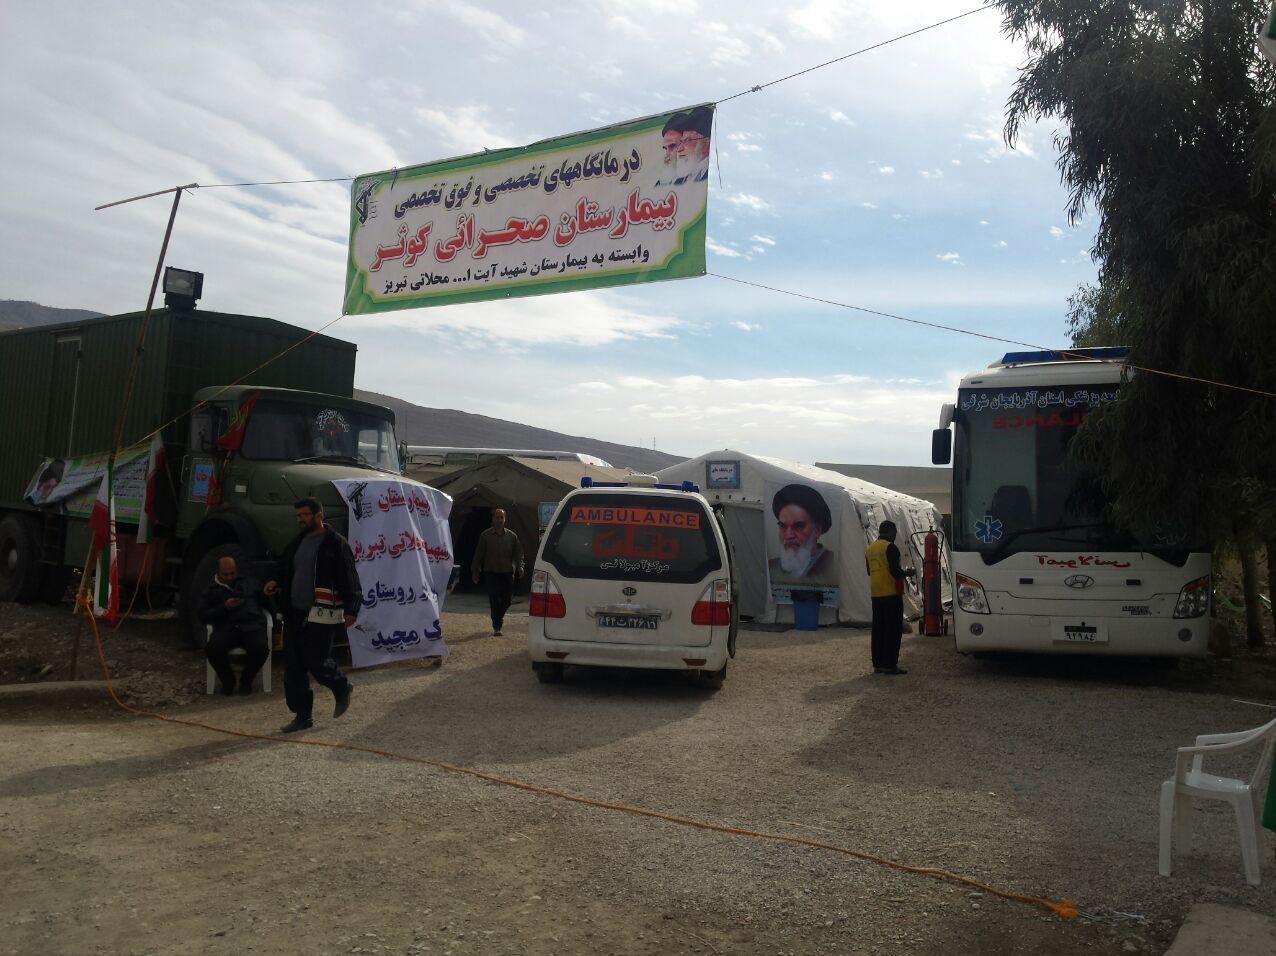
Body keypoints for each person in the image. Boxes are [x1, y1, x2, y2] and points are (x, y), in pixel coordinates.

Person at [264, 498, 361, 733]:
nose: (300, 520)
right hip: (294, 612)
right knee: (294, 667)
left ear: (319, 515)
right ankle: (303, 716)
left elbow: (349, 576)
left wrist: (352, 608)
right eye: (298, 516)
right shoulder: (297, 542)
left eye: (305, 515)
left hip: (322, 612)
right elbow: (285, 567)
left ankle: (341, 685)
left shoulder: (335, 543)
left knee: (316, 661)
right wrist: (275, 581)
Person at [199, 556, 272, 695]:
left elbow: (267, 604)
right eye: (225, 574)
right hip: (225, 627)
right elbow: (202, 615)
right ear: (218, 573)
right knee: (213, 649)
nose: (229, 577)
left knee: (261, 648)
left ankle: (246, 680)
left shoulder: (249, 583)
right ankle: (228, 681)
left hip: (251, 626)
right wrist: (224, 607)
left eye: (232, 573)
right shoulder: (210, 589)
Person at [864, 520, 915, 676]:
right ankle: (890, 665)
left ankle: (878, 664)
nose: (895, 535)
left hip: (876, 595)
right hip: (891, 594)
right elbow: (895, 571)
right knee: (892, 630)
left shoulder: (869, 549)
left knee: (878, 630)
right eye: (895, 532)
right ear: (890, 531)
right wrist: (907, 573)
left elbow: (869, 571)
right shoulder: (890, 548)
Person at [767, 484, 837, 586]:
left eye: (798, 526)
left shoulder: (834, 565)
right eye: (783, 526)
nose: (788, 535)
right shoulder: (771, 567)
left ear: (817, 531)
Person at [471, 508, 524, 636]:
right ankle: (497, 626)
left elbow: (518, 553)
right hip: (491, 572)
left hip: (507, 572)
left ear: (505, 519)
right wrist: (475, 571)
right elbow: (479, 554)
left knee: (507, 600)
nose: (499, 520)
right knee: (494, 599)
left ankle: (497, 616)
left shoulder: (512, 536)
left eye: (501, 517)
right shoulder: (485, 536)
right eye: (497, 517)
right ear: (493, 519)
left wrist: (520, 566)